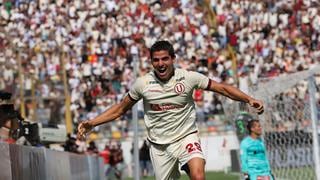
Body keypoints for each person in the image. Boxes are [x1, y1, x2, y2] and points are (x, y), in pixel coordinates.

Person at [77, 40, 264, 180]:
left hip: (186, 137)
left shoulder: (189, 78)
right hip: (160, 146)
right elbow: (119, 109)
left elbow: (222, 88)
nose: (161, 64)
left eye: (165, 58)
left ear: (173, 59)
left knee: (198, 176)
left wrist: (249, 99)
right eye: (156, 60)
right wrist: (92, 123)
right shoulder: (142, 84)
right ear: (151, 62)